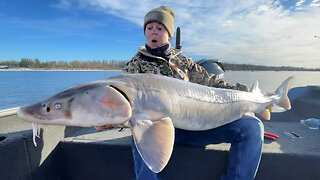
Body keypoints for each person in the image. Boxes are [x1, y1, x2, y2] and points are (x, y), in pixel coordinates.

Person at [98, 6, 264, 180]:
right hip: (154, 129)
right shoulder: (135, 65)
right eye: (149, 28)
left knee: (251, 126)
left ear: (169, 34)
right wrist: (108, 119)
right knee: (141, 134)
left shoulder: (185, 63)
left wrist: (247, 95)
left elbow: (214, 84)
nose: (154, 32)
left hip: (193, 126)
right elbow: (125, 102)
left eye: (159, 28)